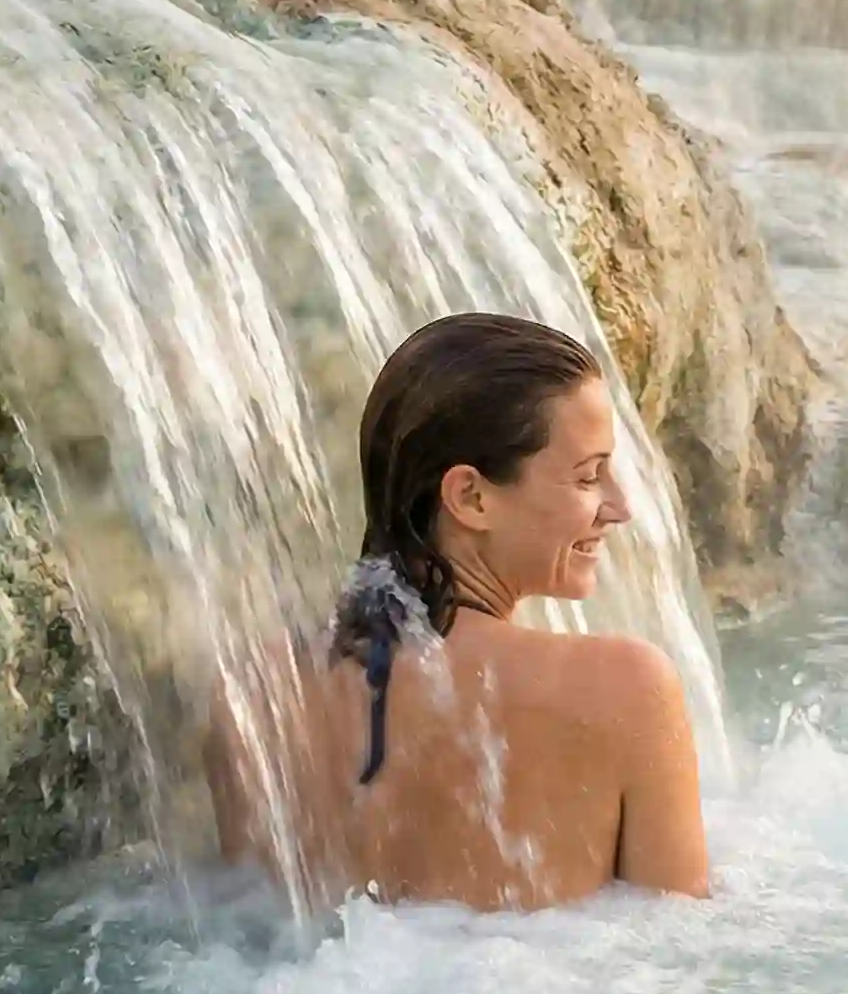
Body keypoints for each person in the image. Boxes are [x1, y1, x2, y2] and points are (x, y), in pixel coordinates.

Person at [205, 313, 710, 911]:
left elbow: (248, 933)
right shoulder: (626, 687)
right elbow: (683, 954)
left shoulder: (254, 698)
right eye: (588, 477)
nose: (620, 506)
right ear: (471, 497)